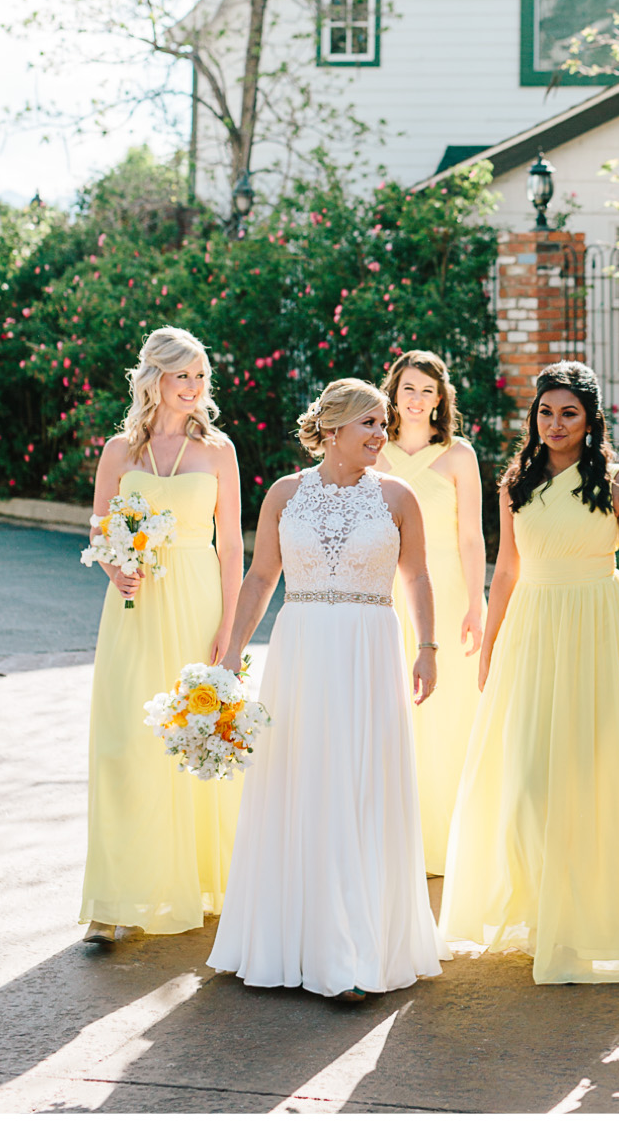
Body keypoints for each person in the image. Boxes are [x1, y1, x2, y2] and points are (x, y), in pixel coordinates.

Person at [439, 360, 619, 985]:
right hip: (531, 628)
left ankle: (585, 928)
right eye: (545, 412)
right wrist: (491, 645)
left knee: (593, 778)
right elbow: (504, 571)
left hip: (600, 630)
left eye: (567, 413)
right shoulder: (515, 481)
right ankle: (538, 913)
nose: (554, 424)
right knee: (527, 778)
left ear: (590, 418)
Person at [207, 378, 447, 1000]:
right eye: (368, 423)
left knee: (361, 784)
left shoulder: (398, 496)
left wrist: (427, 647)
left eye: (382, 423)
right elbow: (261, 577)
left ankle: (355, 950)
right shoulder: (286, 493)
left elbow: (417, 575)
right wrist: (233, 648)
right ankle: (292, 940)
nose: (380, 434)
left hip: (370, 650)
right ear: (334, 429)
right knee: (303, 780)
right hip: (303, 650)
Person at [76, 326, 244, 944]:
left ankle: (204, 883)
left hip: (198, 604)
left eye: (202, 377)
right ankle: (112, 900)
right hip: (134, 613)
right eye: (184, 376)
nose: (195, 388)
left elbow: (231, 545)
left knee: (196, 737)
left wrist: (230, 625)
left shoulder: (219, 450)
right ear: (155, 380)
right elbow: (98, 527)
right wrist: (115, 563)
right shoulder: (121, 451)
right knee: (124, 745)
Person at [379, 348, 486, 875]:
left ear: (441, 397)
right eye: (408, 389)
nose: (417, 399)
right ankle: (393, 836)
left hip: (443, 589)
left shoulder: (458, 455)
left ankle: (445, 837)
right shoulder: (374, 451)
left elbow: (471, 537)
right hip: (386, 587)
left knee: (445, 709)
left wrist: (476, 601)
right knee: (390, 703)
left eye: (428, 390)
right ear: (392, 394)